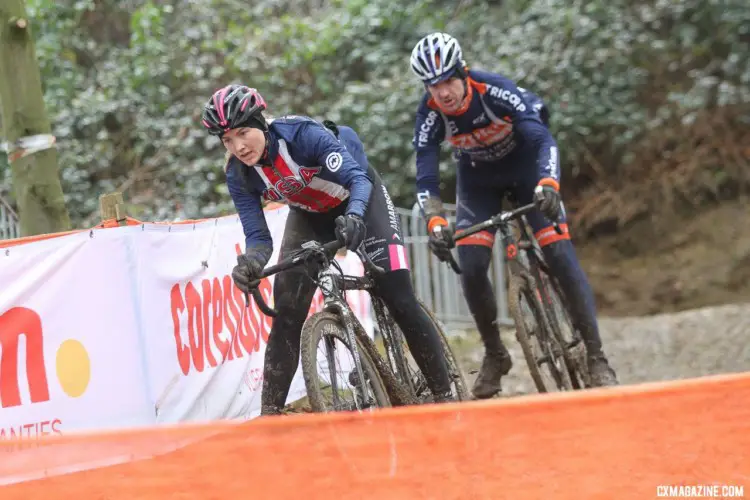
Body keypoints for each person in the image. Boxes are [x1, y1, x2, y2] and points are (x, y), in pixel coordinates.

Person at [200, 84, 455, 415]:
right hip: (310, 217)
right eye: (227, 140)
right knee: (287, 313)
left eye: (242, 133)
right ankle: (271, 418)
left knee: (400, 298)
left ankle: (446, 395)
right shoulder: (238, 173)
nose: (238, 146)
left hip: (362, 199)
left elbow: (358, 181)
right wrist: (250, 263)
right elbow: (259, 237)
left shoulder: (301, 134)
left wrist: (353, 216)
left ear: (261, 122)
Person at [408, 32, 618, 398]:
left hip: (525, 170)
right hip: (478, 180)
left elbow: (542, 140)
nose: (442, 92)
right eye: (432, 85)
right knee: (471, 265)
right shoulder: (429, 113)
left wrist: (548, 184)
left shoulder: (494, 89)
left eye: (447, 81)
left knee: (559, 253)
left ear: (462, 73)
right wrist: (435, 220)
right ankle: (495, 353)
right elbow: (426, 174)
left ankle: (597, 356)